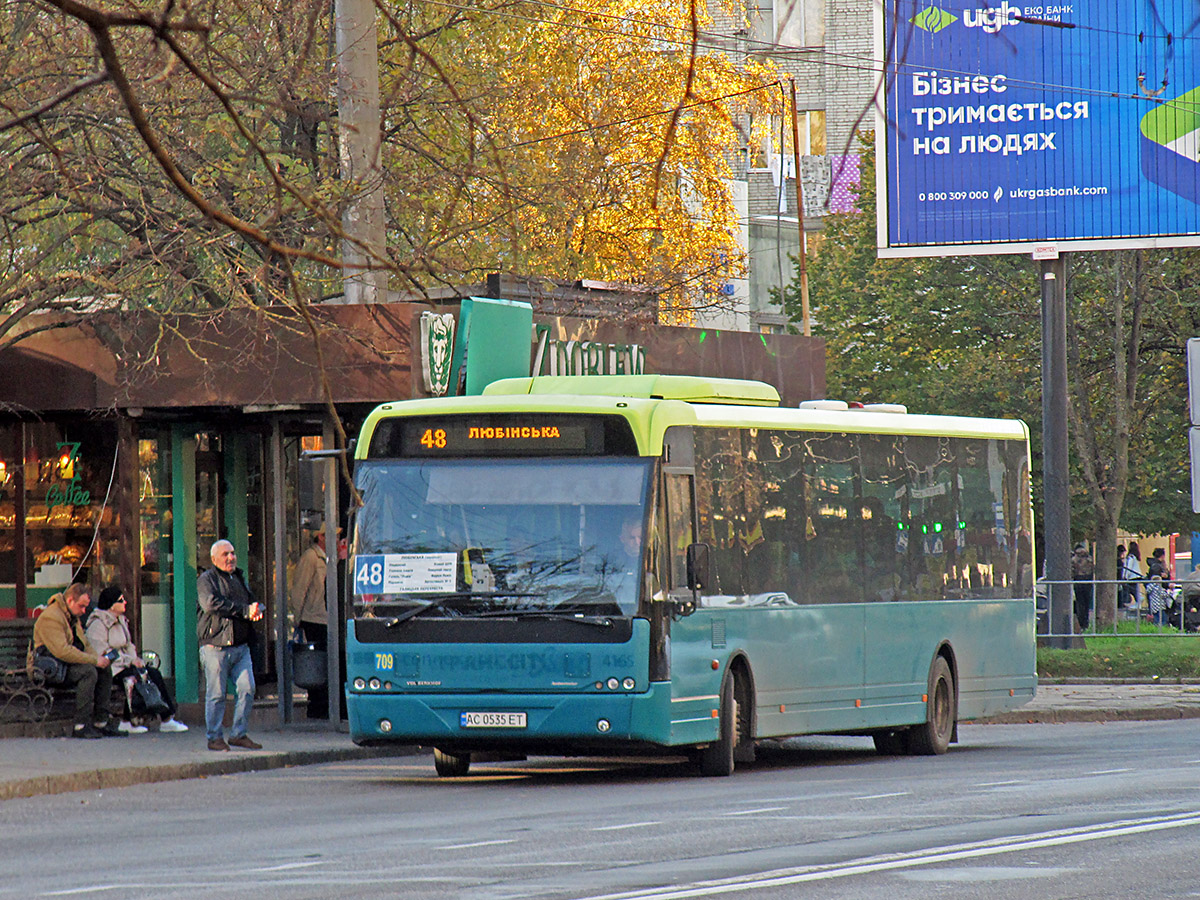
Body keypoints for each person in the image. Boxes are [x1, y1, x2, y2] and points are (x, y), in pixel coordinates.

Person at [85, 586, 188, 734]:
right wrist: (129, 661)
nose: (125, 602)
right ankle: (127, 720)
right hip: (110, 668)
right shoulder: (98, 625)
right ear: (112, 605)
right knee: (132, 678)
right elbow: (103, 652)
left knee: (153, 673)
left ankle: (167, 718)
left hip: (125, 663)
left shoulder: (121, 621)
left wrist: (135, 659)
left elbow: (128, 645)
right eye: (121, 600)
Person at [31, 583, 124, 739]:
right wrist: (93, 661)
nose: (83, 611)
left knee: (103, 669)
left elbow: (84, 644)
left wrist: (99, 659)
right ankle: (80, 725)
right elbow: (62, 651)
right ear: (70, 600)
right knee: (88, 673)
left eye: (85, 608)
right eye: (81, 607)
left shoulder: (72, 616)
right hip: (50, 668)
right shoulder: (51, 617)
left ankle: (101, 720)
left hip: (65, 666)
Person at [198, 539, 264, 751]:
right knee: (216, 694)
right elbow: (211, 604)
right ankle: (214, 737)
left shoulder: (238, 577)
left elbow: (251, 602)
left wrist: (256, 609)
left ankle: (238, 734)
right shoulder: (207, 579)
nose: (230, 557)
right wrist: (244, 610)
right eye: (225, 554)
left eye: (233, 553)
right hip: (215, 646)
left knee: (247, 688)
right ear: (214, 558)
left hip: (240, 646)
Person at [289, 531, 329, 718]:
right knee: (316, 663)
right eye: (333, 536)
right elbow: (299, 589)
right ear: (321, 536)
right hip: (314, 618)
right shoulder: (311, 557)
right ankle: (316, 707)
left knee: (327, 664)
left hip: (326, 617)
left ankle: (325, 706)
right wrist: (298, 619)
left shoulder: (328, 558)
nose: (336, 540)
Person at [1070, 542, 1094, 630]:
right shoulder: (1089, 558)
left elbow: (1072, 571)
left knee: (1080, 603)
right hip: (1088, 581)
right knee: (1087, 602)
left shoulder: (1074, 559)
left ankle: (1081, 623)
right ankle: (1086, 623)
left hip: (1078, 581)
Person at [1146, 547, 1170, 626]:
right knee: (1161, 617)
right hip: (1159, 599)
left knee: (1158, 616)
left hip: (1155, 601)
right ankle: (1160, 629)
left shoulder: (1155, 564)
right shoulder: (1157, 566)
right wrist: (1163, 576)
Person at [1123, 541, 1143, 610]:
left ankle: (1139, 600)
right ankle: (1138, 601)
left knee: (1132, 590)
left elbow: (1128, 567)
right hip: (1136, 576)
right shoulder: (1135, 557)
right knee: (1135, 590)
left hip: (1132, 577)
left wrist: (1125, 576)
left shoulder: (1130, 557)